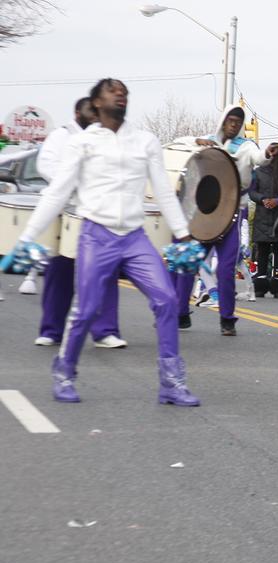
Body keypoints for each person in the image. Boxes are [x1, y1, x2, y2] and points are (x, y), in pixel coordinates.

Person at [13, 78, 199, 405]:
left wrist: (183, 234)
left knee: (167, 300)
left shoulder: (145, 141)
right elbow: (57, 193)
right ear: (97, 102)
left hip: (134, 237)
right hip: (95, 235)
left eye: (124, 91)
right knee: (84, 310)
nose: (120, 94)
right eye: (112, 91)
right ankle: (64, 373)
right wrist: (26, 237)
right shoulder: (82, 143)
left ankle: (171, 383)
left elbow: (165, 192)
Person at [31, 96, 127, 349]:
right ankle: (52, 330)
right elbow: (45, 164)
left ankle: (105, 330)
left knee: (104, 273)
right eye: (90, 110)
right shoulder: (61, 136)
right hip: (67, 212)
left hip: (99, 213)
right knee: (60, 272)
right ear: (77, 112)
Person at [174, 104, 275, 335]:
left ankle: (227, 319)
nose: (234, 125)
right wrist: (197, 142)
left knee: (226, 268)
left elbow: (259, 158)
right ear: (223, 121)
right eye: (230, 120)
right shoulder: (208, 141)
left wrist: (267, 155)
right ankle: (180, 313)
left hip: (231, 214)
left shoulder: (247, 146)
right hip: (203, 212)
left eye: (238, 122)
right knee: (189, 261)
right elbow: (183, 144)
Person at [248, 143, 278, 299]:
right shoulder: (258, 171)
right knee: (262, 249)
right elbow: (251, 191)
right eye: (271, 152)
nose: (273, 155)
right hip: (263, 215)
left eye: (276, 152)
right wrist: (263, 199)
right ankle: (260, 283)